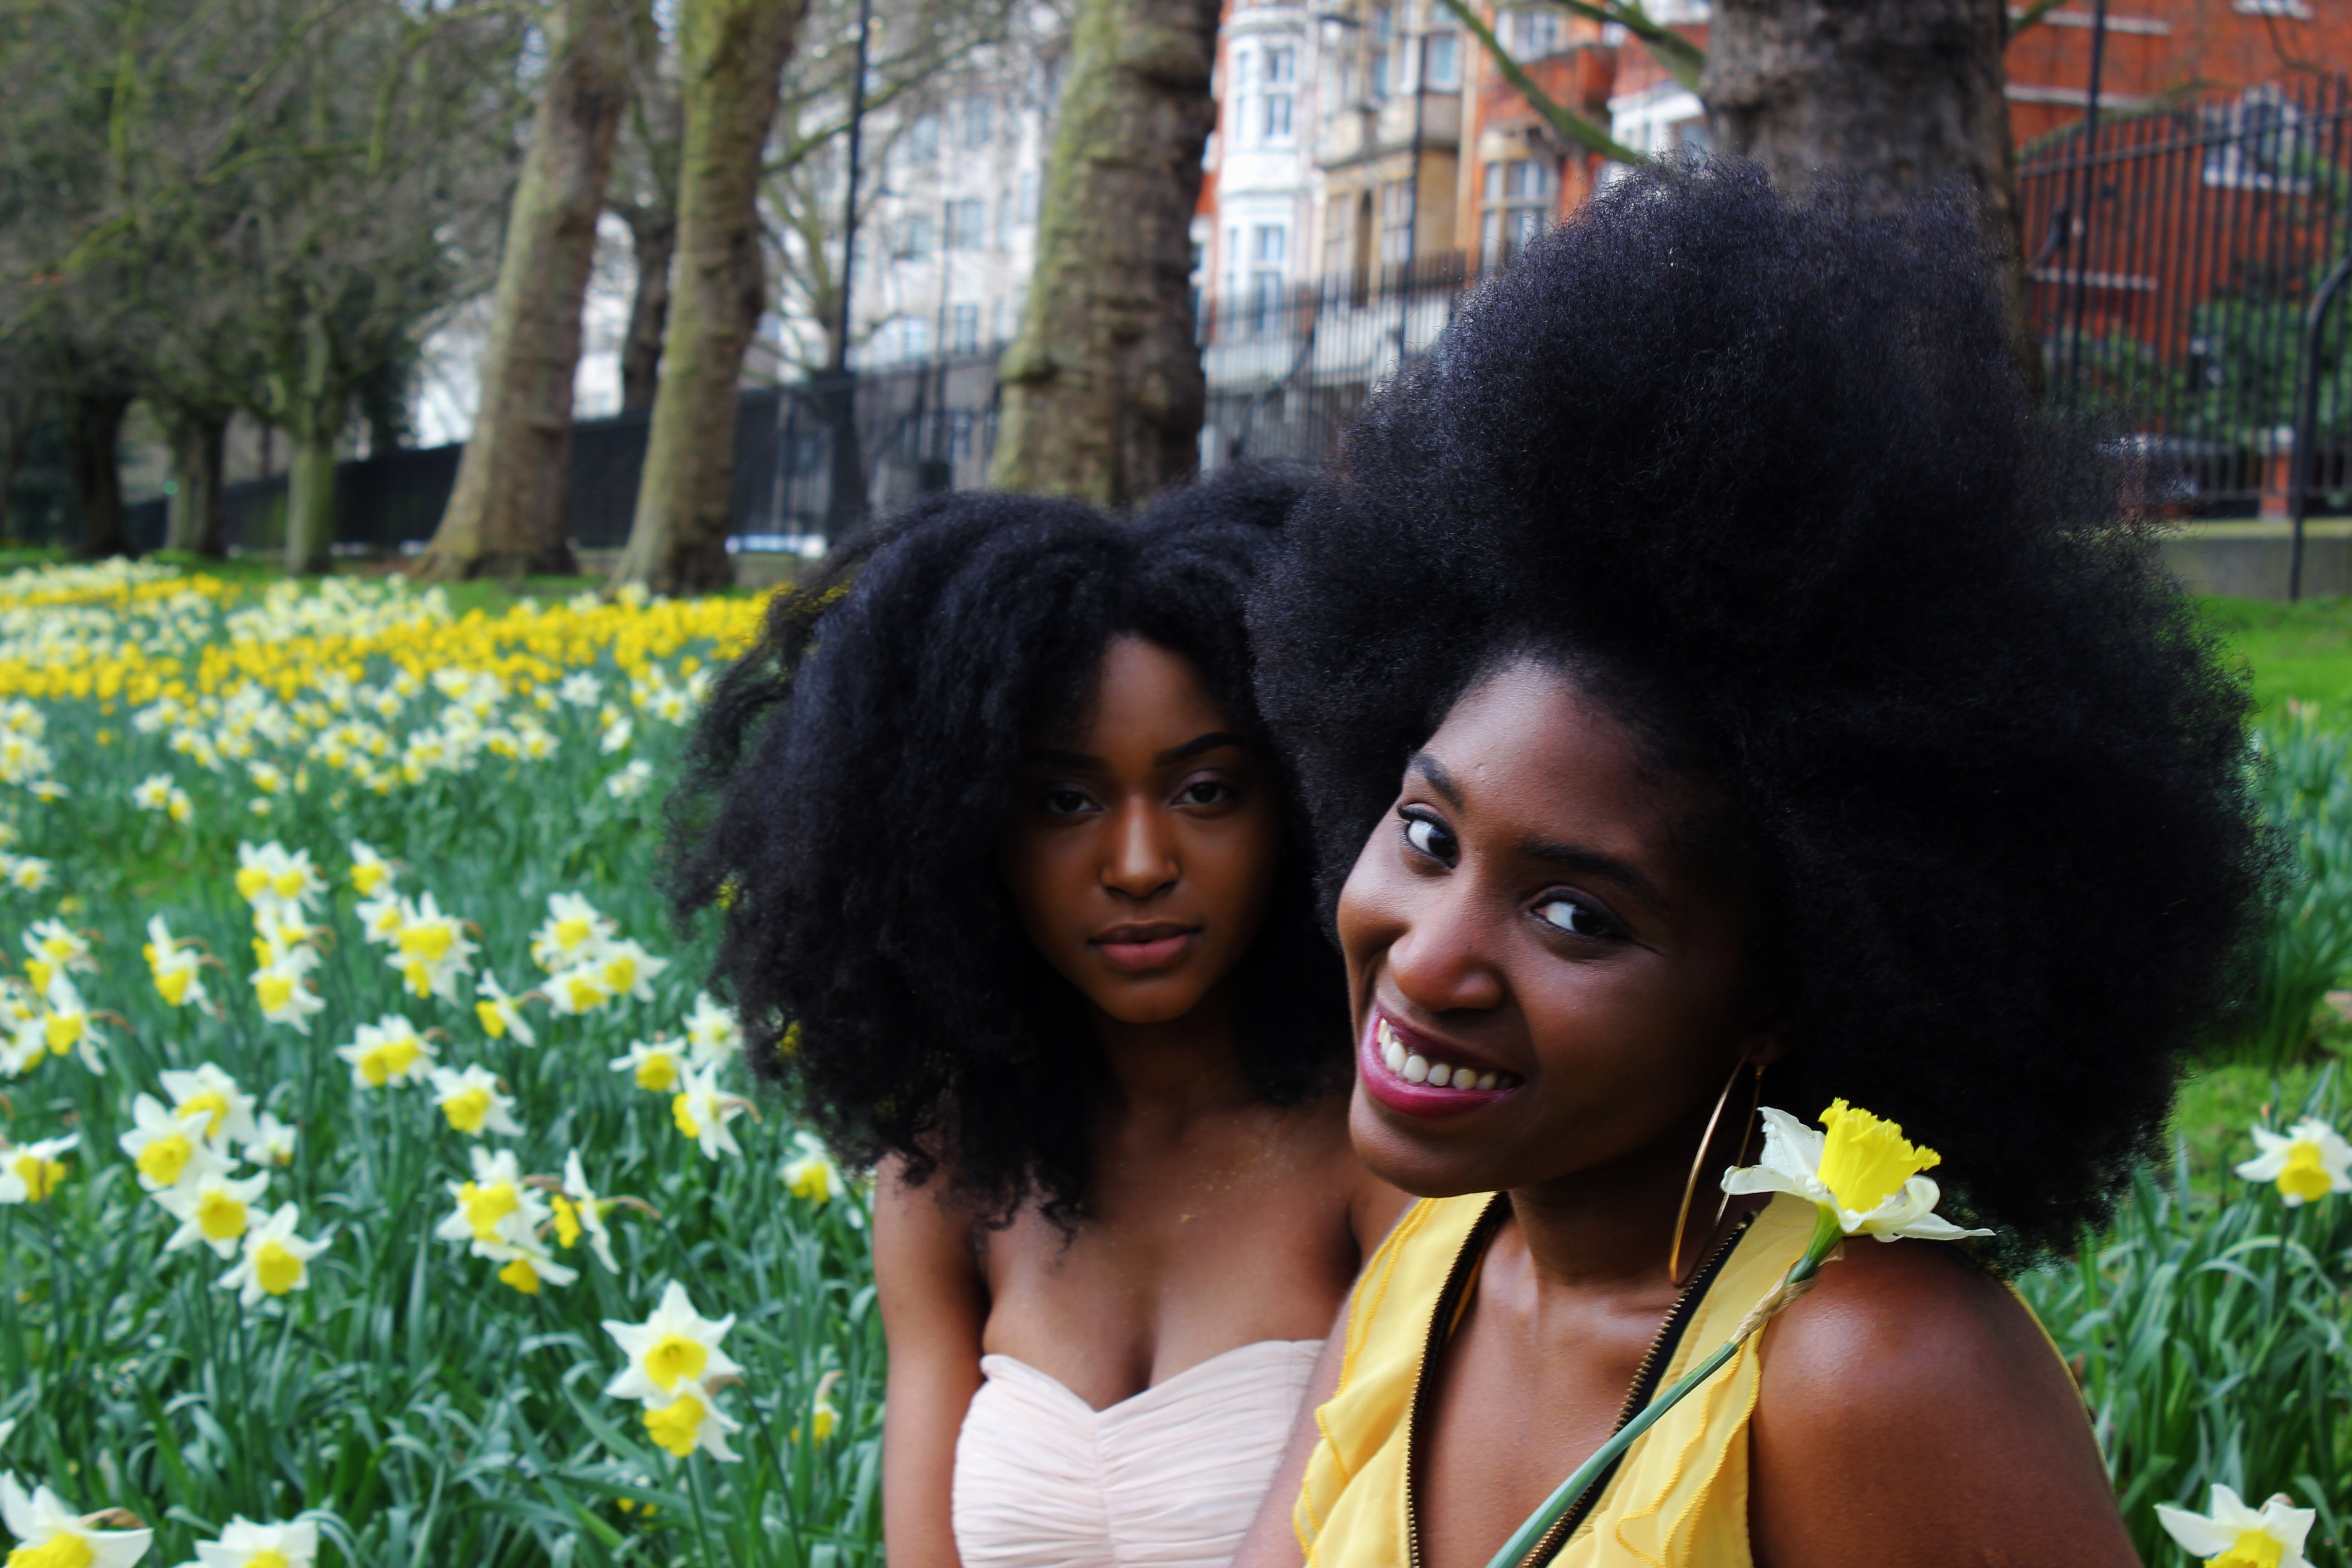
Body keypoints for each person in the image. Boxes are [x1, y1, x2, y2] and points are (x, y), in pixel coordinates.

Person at [1231, 163, 2267, 1568]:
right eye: (1428, 835)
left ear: (1786, 989)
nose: (1428, 955)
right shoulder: (1434, 1257)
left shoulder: (1863, 1369)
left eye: (1576, 915)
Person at [670, 472, 1408, 1568]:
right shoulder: (947, 1168)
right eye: (1066, 802)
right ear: (958, 831)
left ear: (1306, 806)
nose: (1140, 865)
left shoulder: (1382, 1146)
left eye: (1206, 791)